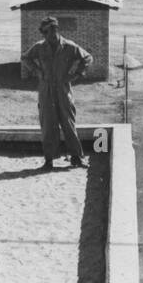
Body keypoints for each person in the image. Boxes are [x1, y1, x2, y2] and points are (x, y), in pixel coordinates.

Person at [21, 17, 93, 171]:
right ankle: (49, 161)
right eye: (47, 31)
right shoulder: (39, 47)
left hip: (63, 90)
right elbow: (25, 57)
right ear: (43, 33)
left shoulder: (69, 46)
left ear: (57, 29)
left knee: (69, 124)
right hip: (46, 91)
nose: (51, 33)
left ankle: (77, 158)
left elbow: (87, 58)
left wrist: (77, 74)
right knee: (48, 126)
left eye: (54, 29)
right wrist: (36, 71)